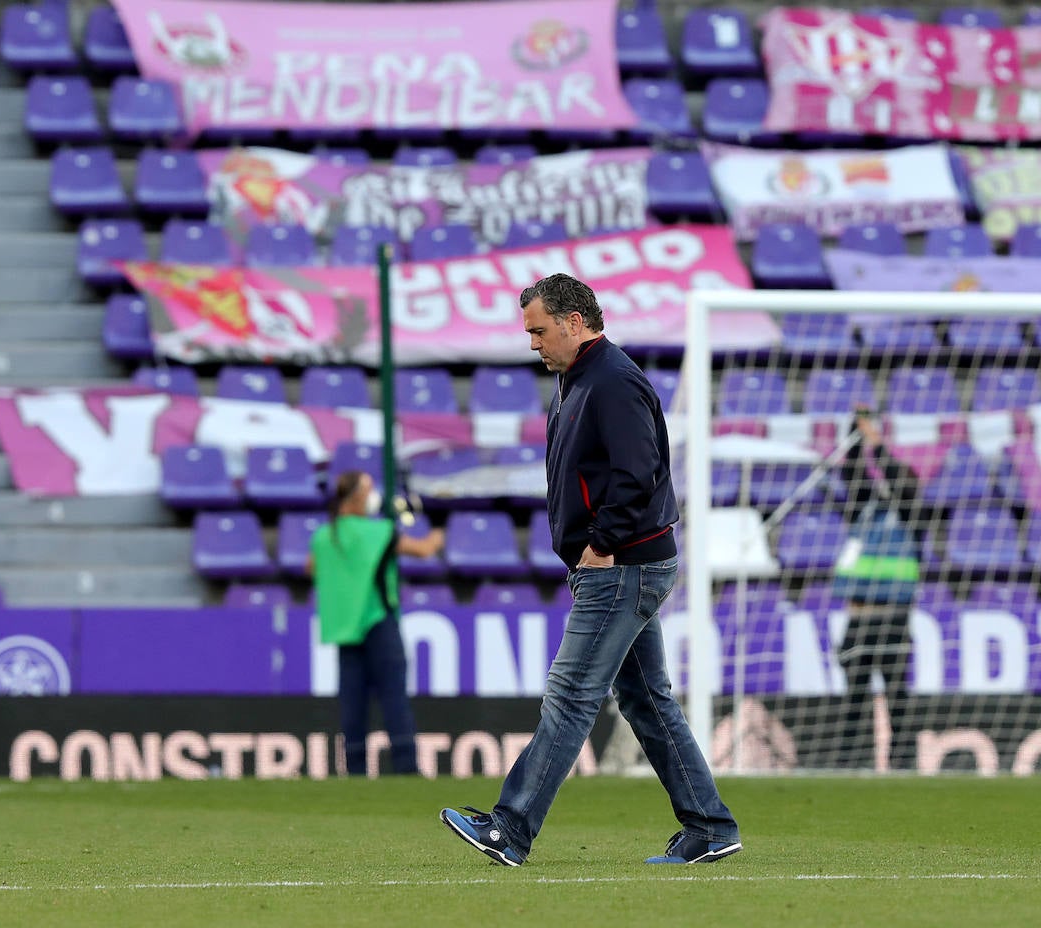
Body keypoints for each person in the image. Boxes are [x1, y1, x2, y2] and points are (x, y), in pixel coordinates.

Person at [440, 273, 740, 866]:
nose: (533, 343)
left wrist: (601, 544)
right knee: (648, 700)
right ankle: (709, 826)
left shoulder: (611, 381)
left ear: (575, 323)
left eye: (539, 330)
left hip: (621, 565)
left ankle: (510, 826)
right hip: (622, 564)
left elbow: (640, 470)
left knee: (571, 695)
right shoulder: (583, 378)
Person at [307, 470, 444, 777]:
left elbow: (311, 568)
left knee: (352, 702)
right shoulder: (379, 531)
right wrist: (439, 530)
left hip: (345, 628)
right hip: (378, 621)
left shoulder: (322, 537)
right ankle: (406, 765)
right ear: (355, 496)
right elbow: (423, 550)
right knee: (393, 695)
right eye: (368, 489)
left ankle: (355, 771)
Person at [831, 407, 922, 771]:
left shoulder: (911, 513)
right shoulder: (861, 510)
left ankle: (902, 767)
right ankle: (848, 768)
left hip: (894, 618)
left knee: (897, 701)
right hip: (860, 617)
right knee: (854, 701)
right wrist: (855, 434)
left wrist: (877, 443)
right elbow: (851, 474)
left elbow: (900, 480)